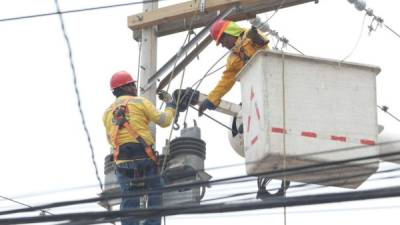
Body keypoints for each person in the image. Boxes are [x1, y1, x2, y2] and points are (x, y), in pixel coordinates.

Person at [103, 71, 176, 225]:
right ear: (126, 87)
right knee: (156, 193)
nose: (135, 87)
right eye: (133, 85)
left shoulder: (107, 113)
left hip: (123, 163)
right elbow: (164, 121)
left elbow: (111, 140)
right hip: (145, 159)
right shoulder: (140, 102)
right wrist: (170, 105)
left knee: (129, 202)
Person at [198, 19, 270, 116]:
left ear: (229, 33)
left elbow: (264, 45)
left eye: (222, 41)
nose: (223, 45)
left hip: (271, 77)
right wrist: (211, 99)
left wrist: (258, 40)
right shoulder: (232, 59)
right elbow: (226, 81)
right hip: (256, 90)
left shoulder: (249, 35)